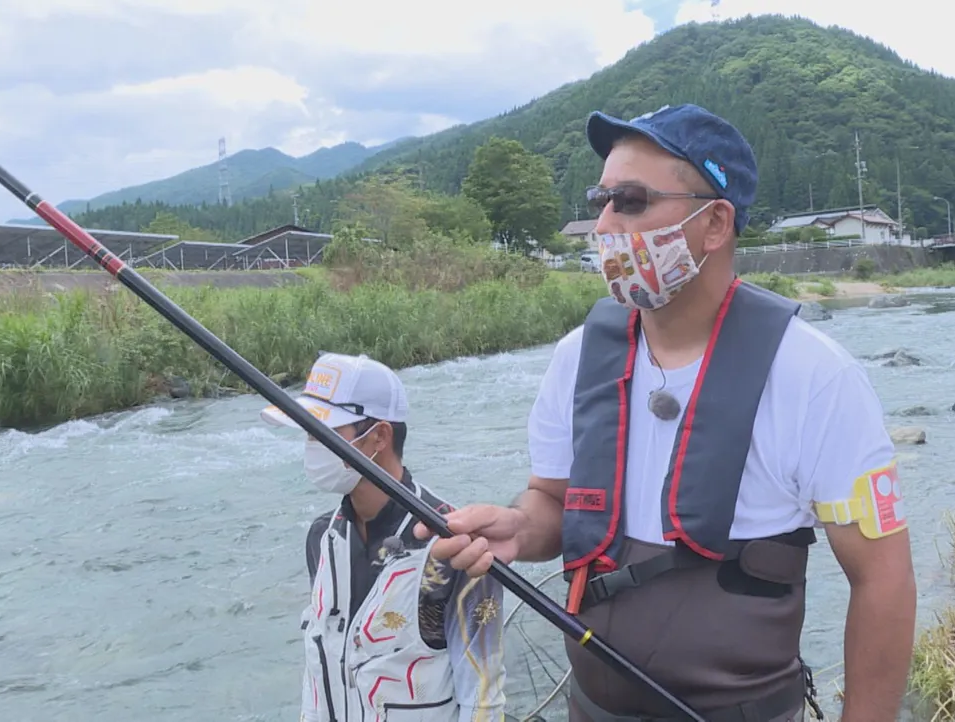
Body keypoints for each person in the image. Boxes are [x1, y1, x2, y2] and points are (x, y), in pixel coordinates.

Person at [414, 104, 917, 722]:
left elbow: (883, 578)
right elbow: (551, 500)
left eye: (630, 201)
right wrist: (517, 529)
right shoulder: (577, 358)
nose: (602, 224)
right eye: (602, 199)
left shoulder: (814, 375)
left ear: (715, 224)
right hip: (591, 708)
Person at [262, 352, 507, 722]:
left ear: (379, 436)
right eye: (308, 434)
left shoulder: (456, 545)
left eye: (323, 433)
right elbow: (317, 672)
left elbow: (483, 696)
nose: (311, 446)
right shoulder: (322, 539)